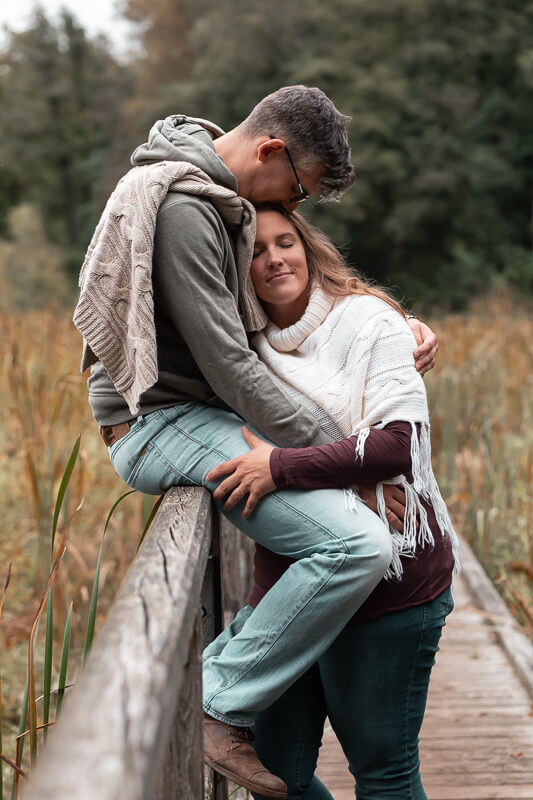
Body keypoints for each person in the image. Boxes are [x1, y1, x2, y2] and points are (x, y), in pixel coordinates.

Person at [73, 86, 439, 799]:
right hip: (158, 421)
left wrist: (401, 327)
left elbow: (294, 315)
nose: (291, 211)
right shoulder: (188, 208)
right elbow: (232, 365)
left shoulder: (215, 194)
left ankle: (223, 694)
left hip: (192, 411)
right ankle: (217, 700)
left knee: (348, 542)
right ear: (270, 151)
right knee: (355, 543)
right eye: (297, 188)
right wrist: (352, 467)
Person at [206, 205, 459, 799]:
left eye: (286, 241)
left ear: (308, 246)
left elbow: (398, 445)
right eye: (256, 250)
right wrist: (349, 481)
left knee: (384, 776)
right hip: (292, 590)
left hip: (391, 592)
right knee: (273, 776)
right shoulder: (237, 355)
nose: (274, 258)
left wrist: (281, 465)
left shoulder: (371, 323)